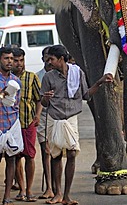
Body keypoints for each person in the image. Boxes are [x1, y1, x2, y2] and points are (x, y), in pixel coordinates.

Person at [40, 45, 113, 205]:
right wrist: (46, 97)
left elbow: (86, 95)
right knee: (55, 155)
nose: (49, 62)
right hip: (55, 118)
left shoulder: (77, 73)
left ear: (61, 59)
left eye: (51, 59)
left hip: (71, 118)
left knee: (72, 154)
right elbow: (44, 103)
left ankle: (66, 196)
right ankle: (57, 193)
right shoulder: (48, 77)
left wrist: (100, 82)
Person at [12, 48, 42, 202]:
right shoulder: (6, 79)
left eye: (21, 60)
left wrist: (37, 116)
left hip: (28, 122)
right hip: (11, 124)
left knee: (30, 156)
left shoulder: (32, 77)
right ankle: (21, 189)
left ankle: (29, 190)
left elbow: (39, 99)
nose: (19, 64)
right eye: (15, 61)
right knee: (15, 157)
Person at [0, 47, 23, 205]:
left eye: (11, 59)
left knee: (11, 160)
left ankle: (7, 196)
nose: (10, 62)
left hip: (11, 122)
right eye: (6, 58)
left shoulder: (16, 80)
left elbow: (17, 104)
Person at [36, 47, 54, 200]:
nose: (49, 61)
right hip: (42, 118)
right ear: (42, 59)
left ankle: (56, 187)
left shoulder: (60, 76)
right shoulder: (38, 77)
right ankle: (49, 187)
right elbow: (38, 101)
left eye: (51, 58)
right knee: (46, 151)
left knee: (57, 153)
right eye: (46, 58)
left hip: (58, 117)